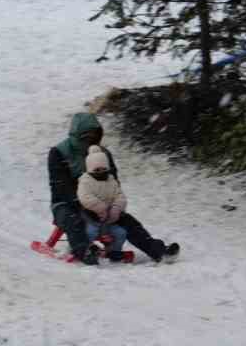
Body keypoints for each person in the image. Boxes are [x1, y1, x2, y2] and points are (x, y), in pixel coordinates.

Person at [47, 112, 181, 265]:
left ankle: (158, 251)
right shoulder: (58, 153)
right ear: (77, 135)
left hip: (103, 205)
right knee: (74, 221)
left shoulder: (103, 154)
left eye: (94, 135)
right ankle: (85, 252)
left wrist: (114, 207)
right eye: (86, 135)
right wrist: (88, 206)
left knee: (128, 221)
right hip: (66, 204)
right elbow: (60, 188)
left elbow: (113, 184)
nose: (91, 139)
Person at [76, 146, 128, 260]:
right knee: (90, 232)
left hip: (109, 219)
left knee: (121, 233)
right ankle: (87, 251)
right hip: (91, 217)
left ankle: (114, 251)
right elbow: (85, 197)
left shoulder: (111, 180)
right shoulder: (85, 181)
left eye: (103, 168)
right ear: (90, 170)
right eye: (97, 170)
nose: (101, 172)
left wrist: (116, 208)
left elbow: (120, 196)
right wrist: (101, 207)